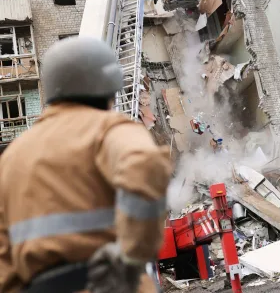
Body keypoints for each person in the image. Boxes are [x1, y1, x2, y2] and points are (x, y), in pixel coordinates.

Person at [0, 37, 172, 293]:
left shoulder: (11, 158)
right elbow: (145, 167)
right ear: (107, 86)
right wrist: (132, 255)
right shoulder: (108, 129)